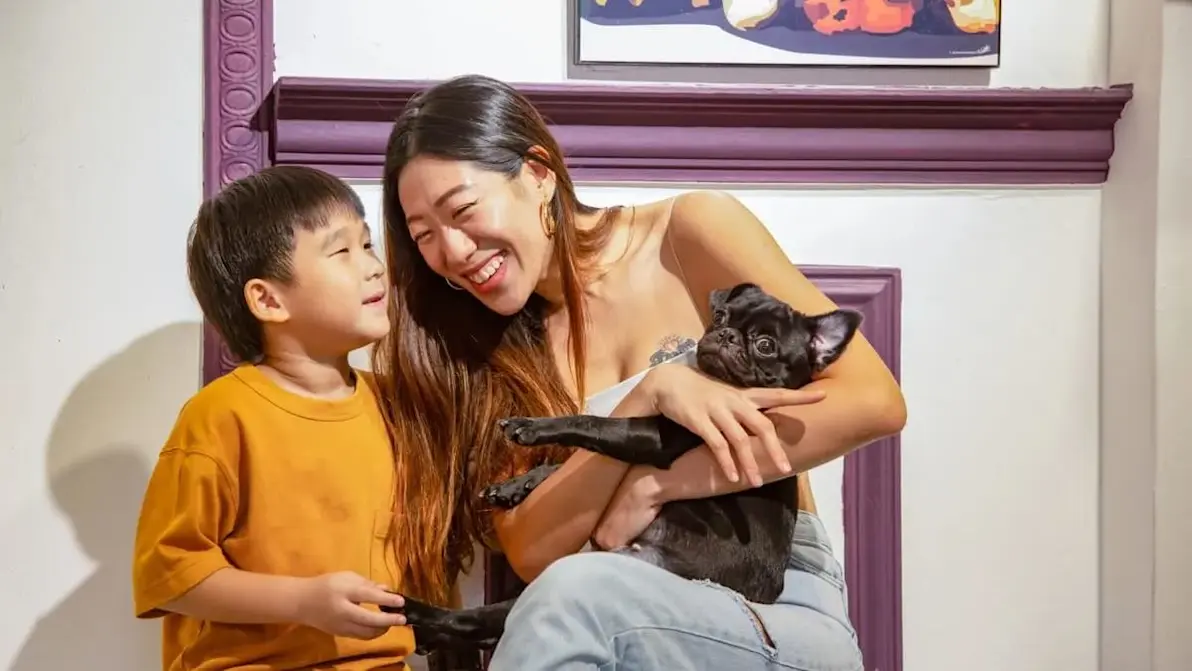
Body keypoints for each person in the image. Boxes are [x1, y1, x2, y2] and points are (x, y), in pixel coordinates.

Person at [375, 75, 907, 670]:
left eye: (463, 210)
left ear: (538, 174)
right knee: (569, 597)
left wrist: (661, 483)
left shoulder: (688, 233)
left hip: (778, 599)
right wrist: (647, 397)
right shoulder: (485, 349)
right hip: (620, 602)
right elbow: (531, 549)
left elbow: (871, 401)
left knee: (572, 598)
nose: (453, 251)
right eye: (424, 236)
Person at [131, 166, 435, 669]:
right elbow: (170, 573)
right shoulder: (221, 414)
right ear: (268, 300)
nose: (374, 266)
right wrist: (302, 602)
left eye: (368, 245)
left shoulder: (394, 407)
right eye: (342, 251)